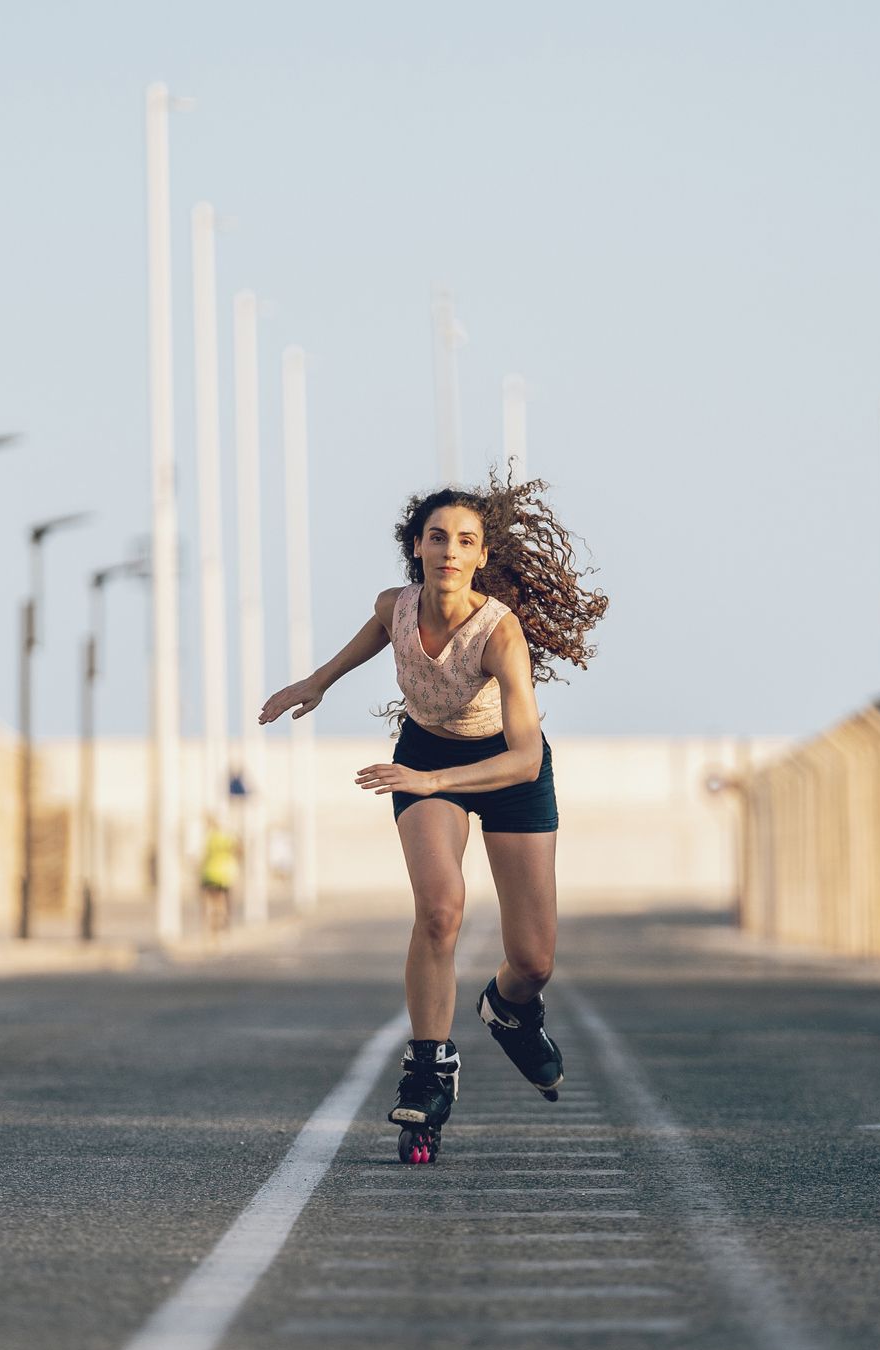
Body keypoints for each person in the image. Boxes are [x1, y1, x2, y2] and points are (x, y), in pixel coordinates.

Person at [259, 471, 607, 1163]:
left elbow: (523, 757)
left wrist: (432, 779)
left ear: (482, 557)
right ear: (415, 545)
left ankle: (509, 1009)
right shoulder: (397, 604)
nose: (450, 550)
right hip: (425, 761)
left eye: (466, 541)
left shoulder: (498, 633)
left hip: (505, 772)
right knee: (440, 908)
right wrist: (315, 682)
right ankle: (428, 1066)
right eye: (438, 536)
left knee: (533, 959)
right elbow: (375, 637)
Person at [198, 818, 239, 935]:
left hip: (209, 874)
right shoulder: (226, 837)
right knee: (226, 899)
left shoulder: (207, 838)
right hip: (224, 875)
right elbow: (237, 850)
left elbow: (202, 856)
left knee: (207, 899)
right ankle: (226, 920)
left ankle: (207, 923)